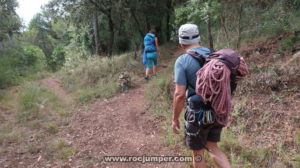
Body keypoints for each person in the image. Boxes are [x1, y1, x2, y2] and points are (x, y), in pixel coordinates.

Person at [172, 24, 231, 168]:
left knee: (197, 153)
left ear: (181, 42)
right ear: (199, 38)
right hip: (218, 109)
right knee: (212, 147)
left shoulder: (182, 61)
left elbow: (179, 94)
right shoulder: (215, 55)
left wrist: (175, 119)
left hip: (197, 113)